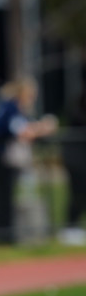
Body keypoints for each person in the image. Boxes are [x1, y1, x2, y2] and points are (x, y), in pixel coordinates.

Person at [0, 77, 57, 245]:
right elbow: (21, 131)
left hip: (2, 157)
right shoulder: (10, 107)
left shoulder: (13, 107)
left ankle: (1, 234)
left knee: (5, 196)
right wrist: (43, 127)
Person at [58, 90, 86, 246]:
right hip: (75, 160)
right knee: (77, 193)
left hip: (78, 159)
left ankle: (74, 226)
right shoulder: (77, 114)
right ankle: (70, 227)